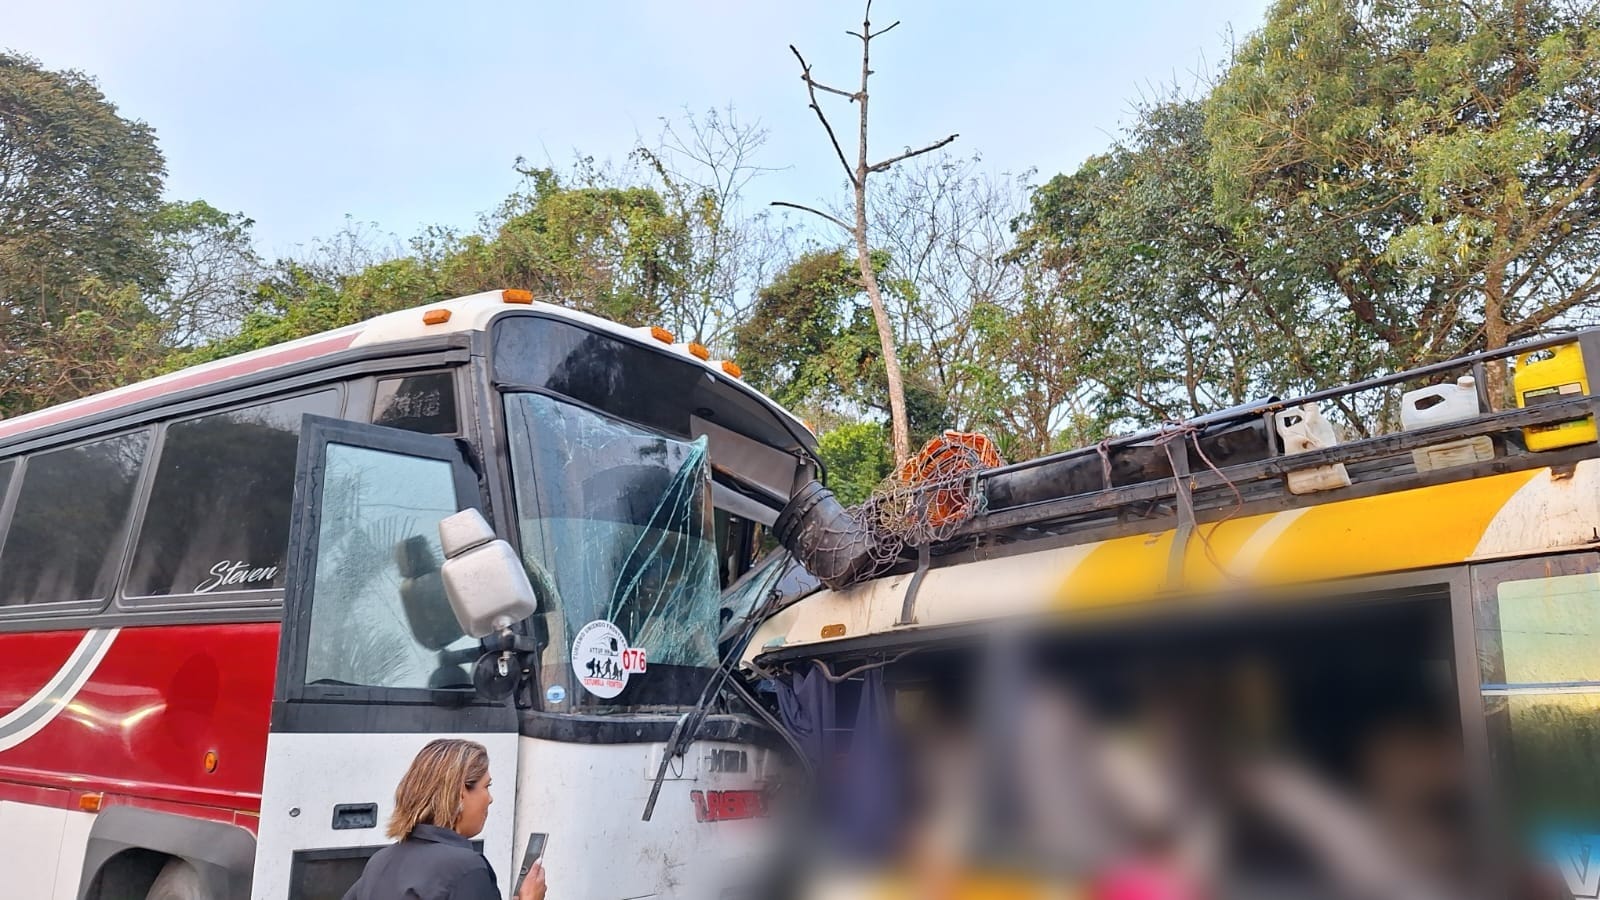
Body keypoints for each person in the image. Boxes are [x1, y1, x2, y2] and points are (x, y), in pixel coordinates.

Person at [343, 738, 547, 900]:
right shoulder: (467, 868)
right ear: (460, 794)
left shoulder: (380, 861)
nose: (490, 799)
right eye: (487, 786)